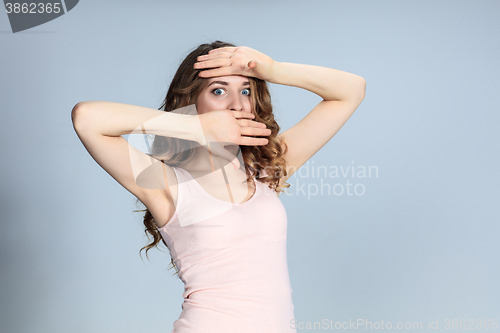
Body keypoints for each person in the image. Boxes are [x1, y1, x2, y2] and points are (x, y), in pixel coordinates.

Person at [71, 40, 366, 333]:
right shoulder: (167, 184)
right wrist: (198, 127)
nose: (237, 104)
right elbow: (87, 118)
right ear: (192, 103)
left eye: (246, 91)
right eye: (219, 90)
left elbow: (351, 91)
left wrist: (274, 70)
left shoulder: (265, 171)